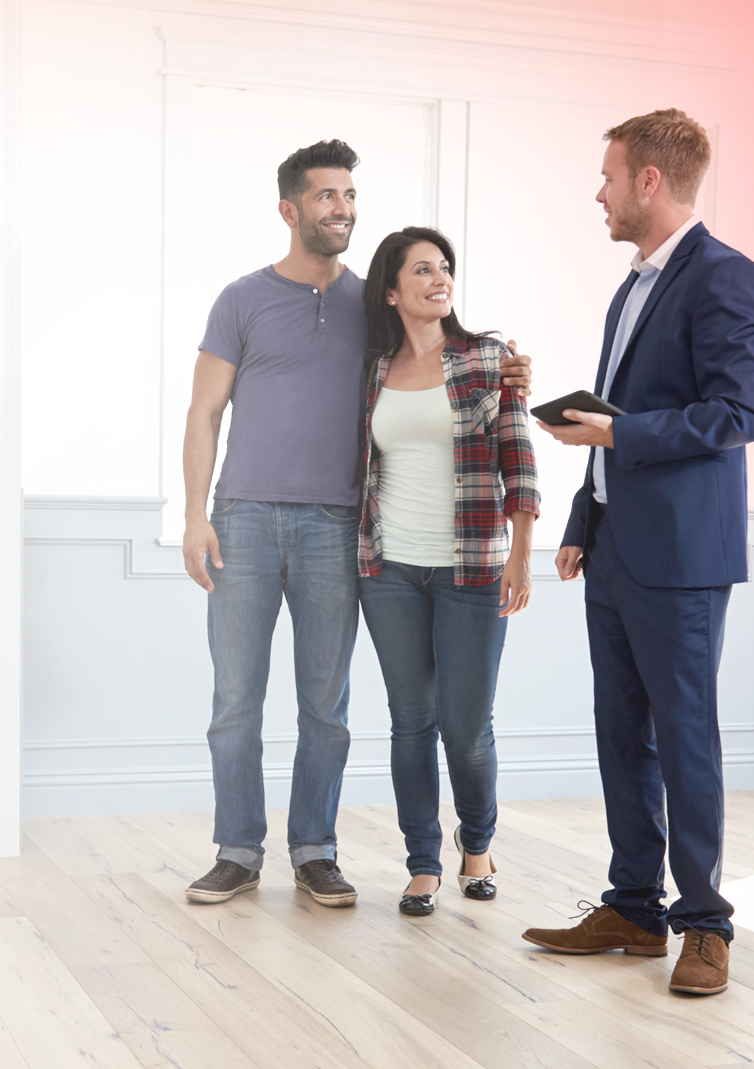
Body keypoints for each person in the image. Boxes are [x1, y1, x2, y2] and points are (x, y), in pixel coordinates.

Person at [180, 141, 533, 908]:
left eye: (349, 194)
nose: (341, 207)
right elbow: (204, 412)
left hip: (338, 525)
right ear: (289, 208)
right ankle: (237, 849)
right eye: (326, 195)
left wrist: (509, 369)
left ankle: (316, 850)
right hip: (241, 518)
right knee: (234, 699)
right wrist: (193, 514)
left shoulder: (371, 305)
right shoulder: (240, 299)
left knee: (325, 704)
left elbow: (438, 360)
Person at [519, 109, 754, 996]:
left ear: (650, 182)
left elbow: (739, 414)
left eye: (610, 176)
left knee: (685, 737)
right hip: (615, 547)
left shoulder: (726, 278)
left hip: (682, 557)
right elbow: (615, 421)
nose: (601, 191)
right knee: (621, 735)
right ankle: (634, 906)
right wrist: (584, 521)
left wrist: (620, 438)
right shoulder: (631, 285)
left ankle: (705, 924)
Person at [354, 227, 537, 917]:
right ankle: (423, 862)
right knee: (410, 720)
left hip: (473, 567)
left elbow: (518, 459)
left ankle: (479, 844)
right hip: (388, 568)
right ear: (393, 290)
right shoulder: (371, 369)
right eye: (423, 269)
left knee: (465, 726)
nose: (440, 278)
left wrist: (521, 552)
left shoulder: (488, 359)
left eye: (446, 268)